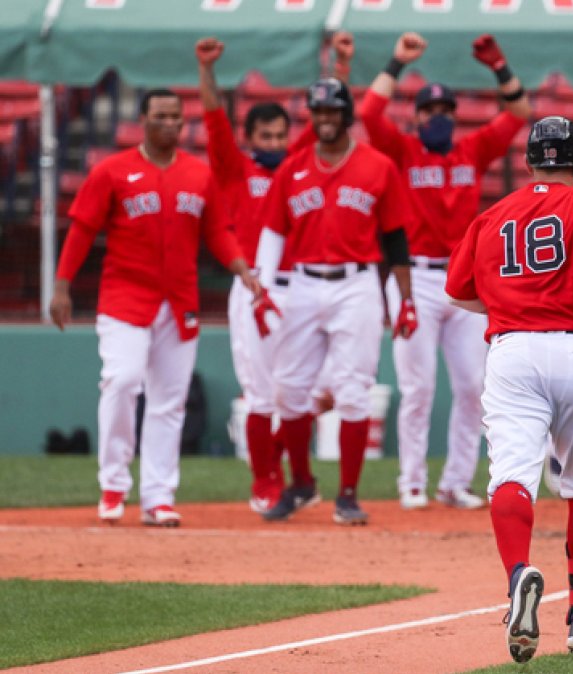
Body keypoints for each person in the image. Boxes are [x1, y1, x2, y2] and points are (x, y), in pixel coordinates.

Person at [445, 115, 573, 662]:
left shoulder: (493, 214)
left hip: (513, 349)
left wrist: (513, 301)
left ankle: (518, 572)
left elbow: (458, 290)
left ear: (531, 161)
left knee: (512, 474)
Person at [50, 88, 259, 527]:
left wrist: (242, 268)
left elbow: (218, 231)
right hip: (125, 295)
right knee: (122, 381)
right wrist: (62, 286)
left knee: (170, 401)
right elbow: (83, 228)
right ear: (142, 119)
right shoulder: (112, 171)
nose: (171, 124)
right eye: (161, 115)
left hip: (179, 299)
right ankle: (113, 483)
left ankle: (158, 497)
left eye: (177, 118)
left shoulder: (198, 174)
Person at [359, 32, 532, 511]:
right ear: (418, 117)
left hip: (464, 283)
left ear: (454, 117)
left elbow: (518, 113)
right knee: (417, 387)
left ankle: (455, 482)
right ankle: (411, 481)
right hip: (413, 278)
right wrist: (395, 62)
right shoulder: (402, 151)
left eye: (445, 110)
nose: (438, 117)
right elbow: (369, 114)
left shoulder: (470, 151)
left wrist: (498, 65)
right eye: (430, 110)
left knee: (473, 387)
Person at [195, 35, 347, 514]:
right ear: (250, 139)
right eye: (267, 138)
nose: (277, 145)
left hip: (301, 285)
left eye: (282, 137)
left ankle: (296, 471)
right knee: (261, 392)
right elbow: (215, 122)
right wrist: (206, 71)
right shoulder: (235, 169)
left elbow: (327, 120)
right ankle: (267, 480)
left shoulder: (293, 167)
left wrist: (341, 67)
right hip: (255, 286)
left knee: (312, 391)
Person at [255, 78, 414, 525]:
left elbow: (396, 239)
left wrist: (406, 299)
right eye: (318, 112)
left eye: (332, 111)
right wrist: (263, 287)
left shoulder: (377, 166)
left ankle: (347, 494)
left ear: (346, 115)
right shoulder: (293, 168)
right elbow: (273, 231)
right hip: (302, 283)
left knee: (353, 390)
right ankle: (302, 483)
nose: (325, 119)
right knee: (289, 388)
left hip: (357, 283)